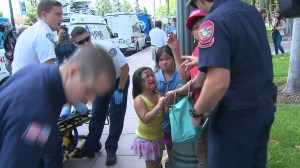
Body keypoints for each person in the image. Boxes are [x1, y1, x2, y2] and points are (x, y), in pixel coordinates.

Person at [182, 0, 277, 167]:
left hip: (236, 118)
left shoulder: (212, 22)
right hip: (264, 109)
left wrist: (196, 113)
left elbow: (218, 82)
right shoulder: (251, 12)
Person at [0, 47, 116, 168]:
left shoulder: (39, 73)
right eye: (89, 89)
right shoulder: (37, 110)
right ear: (73, 71)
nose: (90, 99)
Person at [70, 26, 130, 166]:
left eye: (87, 39)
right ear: (75, 44)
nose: (86, 43)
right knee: (97, 115)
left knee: (116, 116)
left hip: (118, 80)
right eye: (81, 42)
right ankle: (91, 146)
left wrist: (120, 90)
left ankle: (111, 150)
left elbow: (125, 68)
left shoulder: (107, 47)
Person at [167, 8, 208, 168]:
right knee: (202, 153)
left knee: (210, 155)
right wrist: (175, 49)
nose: (199, 31)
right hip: (200, 109)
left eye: (203, 25)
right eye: (195, 28)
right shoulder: (198, 50)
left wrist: (175, 92)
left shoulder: (211, 48)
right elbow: (185, 76)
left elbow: (199, 82)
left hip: (212, 111)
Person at [12, 0, 63, 74]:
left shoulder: (31, 30)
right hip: (30, 83)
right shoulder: (44, 34)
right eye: (58, 14)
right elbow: (50, 70)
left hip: (20, 81)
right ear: (44, 15)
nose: (61, 18)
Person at [131, 67, 167, 168]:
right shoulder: (139, 100)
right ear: (139, 82)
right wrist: (159, 106)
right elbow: (145, 119)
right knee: (151, 164)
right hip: (146, 140)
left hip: (157, 136)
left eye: (152, 75)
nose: (151, 78)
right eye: (147, 76)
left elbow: (166, 113)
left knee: (158, 162)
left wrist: (168, 103)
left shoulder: (158, 95)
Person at [154, 45, 179, 160]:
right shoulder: (155, 78)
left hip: (179, 117)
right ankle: (170, 158)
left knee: (178, 143)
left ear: (174, 58)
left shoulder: (180, 75)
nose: (164, 62)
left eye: (167, 58)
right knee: (168, 144)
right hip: (163, 121)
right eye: (161, 60)